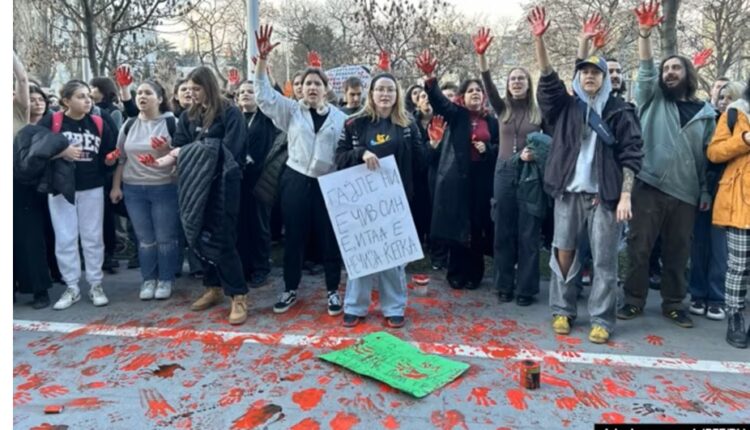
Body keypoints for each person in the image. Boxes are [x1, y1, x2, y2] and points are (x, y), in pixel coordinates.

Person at [530, 6, 643, 343]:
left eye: (596, 72)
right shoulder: (566, 107)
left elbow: (632, 154)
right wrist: (540, 40)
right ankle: (563, 311)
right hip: (568, 194)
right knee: (563, 252)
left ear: (605, 77)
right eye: (584, 72)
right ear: (578, 78)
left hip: (604, 197)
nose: (589, 77)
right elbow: (548, 80)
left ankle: (602, 320)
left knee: (605, 262)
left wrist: (625, 194)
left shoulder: (621, 110)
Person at [618, 0, 717, 328]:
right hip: (649, 185)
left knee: (677, 254)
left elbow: (706, 156)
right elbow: (646, 73)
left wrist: (703, 190)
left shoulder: (706, 114)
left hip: (686, 194)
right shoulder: (653, 98)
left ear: (688, 74)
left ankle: (674, 304)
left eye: (676, 68)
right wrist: (645, 35)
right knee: (639, 249)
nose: (669, 72)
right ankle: (633, 300)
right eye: (666, 69)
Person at [254, 25, 347, 315]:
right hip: (295, 179)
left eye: (317, 83)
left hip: (327, 183)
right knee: (294, 237)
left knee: (329, 237)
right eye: (307, 83)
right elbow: (264, 96)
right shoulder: (291, 111)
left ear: (326, 89)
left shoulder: (341, 119)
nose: (312, 87)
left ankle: (333, 291)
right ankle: (290, 288)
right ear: (300, 88)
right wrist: (262, 62)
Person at [335, 72, 424, 328]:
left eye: (390, 90)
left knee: (392, 258)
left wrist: (433, 145)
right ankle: (355, 306)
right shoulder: (354, 124)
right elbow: (339, 158)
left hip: (396, 202)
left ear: (397, 95)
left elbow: (420, 164)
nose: (385, 94)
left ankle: (394, 307)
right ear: (371, 93)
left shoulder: (408, 125)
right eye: (380, 89)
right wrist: (361, 153)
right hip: (361, 203)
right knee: (362, 255)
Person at [474, 27, 546, 306]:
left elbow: (549, 143)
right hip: (503, 172)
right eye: (513, 79)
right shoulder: (501, 108)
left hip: (530, 175)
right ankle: (504, 284)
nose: (516, 82)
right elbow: (487, 85)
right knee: (503, 230)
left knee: (528, 232)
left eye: (521, 79)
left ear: (529, 84)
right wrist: (482, 57)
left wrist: (535, 156)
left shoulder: (538, 112)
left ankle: (526, 289)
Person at [416, 49, 499, 290]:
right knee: (457, 224)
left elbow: (499, 148)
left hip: (481, 179)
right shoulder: (458, 115)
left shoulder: (491, 120)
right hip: (457, 179)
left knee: (476, 226)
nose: (475, 93)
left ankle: (475, 273)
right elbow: (440, 102)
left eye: (478, 91)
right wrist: (430, 79)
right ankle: (456, 271)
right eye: (470, 90)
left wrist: (487, 149)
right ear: (462, 96)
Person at [172, 66, 249, 325]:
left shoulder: (230, 113)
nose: (191, 94)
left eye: (196, 88)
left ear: (209, 87)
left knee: (223, 239)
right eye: (188, 89)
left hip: (224, 186)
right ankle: (212, 287)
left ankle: (237, 295)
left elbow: (232, 149)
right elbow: (181, 146)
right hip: (196, 187)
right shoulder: (188, 116)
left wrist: (202, 150)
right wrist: (172, 151)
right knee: (198, 235)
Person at [38, 80, 117, 310]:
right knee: (65, 238)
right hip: (61, 188)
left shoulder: (99, 122)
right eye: (81, 96)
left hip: (91, 187)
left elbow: (108, 153)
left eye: (88, 96)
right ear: (66, 101)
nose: (87, 100)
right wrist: (61, 151)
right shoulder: (53, 121)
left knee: (93, 237)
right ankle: (71, 286)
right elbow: (37, 150)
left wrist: (110, 161)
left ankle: (95, 284)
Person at [108, 79, 179, 301]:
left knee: (165, 237)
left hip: (164, 187)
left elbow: (180, 155)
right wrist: (116, 186)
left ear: (159, 98)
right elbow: (120, 158)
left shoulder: (171, 123)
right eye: (139, 93)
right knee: (145, 238)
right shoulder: (128, 124)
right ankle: (148, 279)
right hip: (133, 189)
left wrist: (166, 150)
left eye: (148, 93)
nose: (142, 97)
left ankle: (166, 279)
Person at [687, 82, 745, 321]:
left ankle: (717, 297)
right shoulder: (710, 120)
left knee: (722, 251)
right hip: (707, 189)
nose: (724, 101)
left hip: (735, 196)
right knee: (699, 245)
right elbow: (709, 155)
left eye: (730, 97)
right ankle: (698, 293)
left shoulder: (740, 121)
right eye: (721, 97)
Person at [707, 79, 750, 348]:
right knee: (739, 266)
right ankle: (735, 317)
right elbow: (714, 152)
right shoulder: (735, 112)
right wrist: (743, 140)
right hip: (740, 201)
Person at [236, 79, 281, 287]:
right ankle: (244, 267)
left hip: (261, 179)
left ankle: (261, 267)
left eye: (251, 91)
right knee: (240, 225)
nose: (246, 94)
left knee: (259, 225)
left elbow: (276, 98)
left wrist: (266, 75)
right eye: (242, 91)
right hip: (237, 180)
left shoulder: (266, 118)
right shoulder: (234, 118)